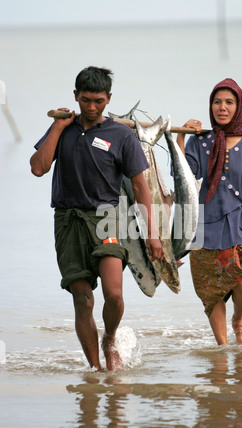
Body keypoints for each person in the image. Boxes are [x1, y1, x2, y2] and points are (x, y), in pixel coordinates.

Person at [30, 66, 163, 371]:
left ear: (109, 99)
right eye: (86, 100)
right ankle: (96, 369)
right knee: (82, 299)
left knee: (114, 295)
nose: (91, 107)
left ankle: (110, 339)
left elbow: (141, 185)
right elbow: (38, 168)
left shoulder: (121, 134)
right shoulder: (62, 129)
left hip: (107, 218)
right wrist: (57, 129)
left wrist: (151, 233)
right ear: (75, 96)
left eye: (99, 101)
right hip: (68, 220)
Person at [177, 78, 242, 346]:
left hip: (239, 226)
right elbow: (184, 174)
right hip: (203, 227)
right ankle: (222, 349)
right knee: (211, 293)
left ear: (238, 106)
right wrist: (182, 135)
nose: (222, 107)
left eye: (229, 102)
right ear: (211, 106)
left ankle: (238, 320)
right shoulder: (200, 142)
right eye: (217, 102)